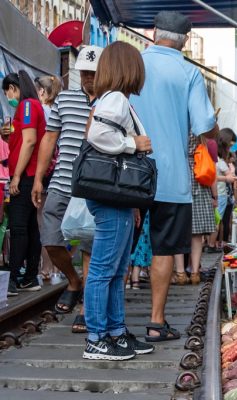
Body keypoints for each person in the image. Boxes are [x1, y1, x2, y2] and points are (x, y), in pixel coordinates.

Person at [129, 10, 218, 342]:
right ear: (186, 40)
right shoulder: (189, 72)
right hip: (171, 178)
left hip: (129, 173)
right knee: (164, 249)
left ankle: (106, 325)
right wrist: (215, 128)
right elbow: (204, 126)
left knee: (117, 246)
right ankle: (156, 321)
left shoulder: (134, 63)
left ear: (153, 32)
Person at [80, 41, 154, 360]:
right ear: (129, 68)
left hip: (116, 197)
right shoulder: (114, 100)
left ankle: (115, 331)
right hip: (110, 198)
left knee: (115, 267)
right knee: (104, 269)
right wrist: (132, 144)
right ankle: (97, 337)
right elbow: (98, 136)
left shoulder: (115, 99)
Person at [32, 45, 103, 333]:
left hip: (92, 188)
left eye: (93, 73)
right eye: (84, 72)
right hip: (61, 183)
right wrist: (38, 178)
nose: (88, 78)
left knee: (88, 244)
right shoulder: (64, 100)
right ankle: (73, 280)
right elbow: (49, 140)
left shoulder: (111, 102)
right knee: (50, 240)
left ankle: (86, 305)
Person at [1, 71, 45, 296]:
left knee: (18, 227)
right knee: (29, 227)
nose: (8, 96)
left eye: (8, 90)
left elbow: (29, 142)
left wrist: (16, 176)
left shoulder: (27, 106)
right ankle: (29, 277)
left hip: (25, 175)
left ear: (14, 87)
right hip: (31, 174)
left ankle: (11, 278)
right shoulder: (34, 106)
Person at [31, 75, 61, 282]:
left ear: (42, 91)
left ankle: (46, 268)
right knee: (52, 221)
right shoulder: (57, 110)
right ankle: (53, 267)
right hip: (57, 172)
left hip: (44, 172)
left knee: (43, 222)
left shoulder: (42, 111)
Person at [186, 134, 216, 285]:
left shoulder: (176, 126)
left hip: (178, 176)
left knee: (179, 231)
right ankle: (195, 272)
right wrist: (215, 195)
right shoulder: (200, 134)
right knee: (196, 234)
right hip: (198, 178)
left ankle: (179, 272)